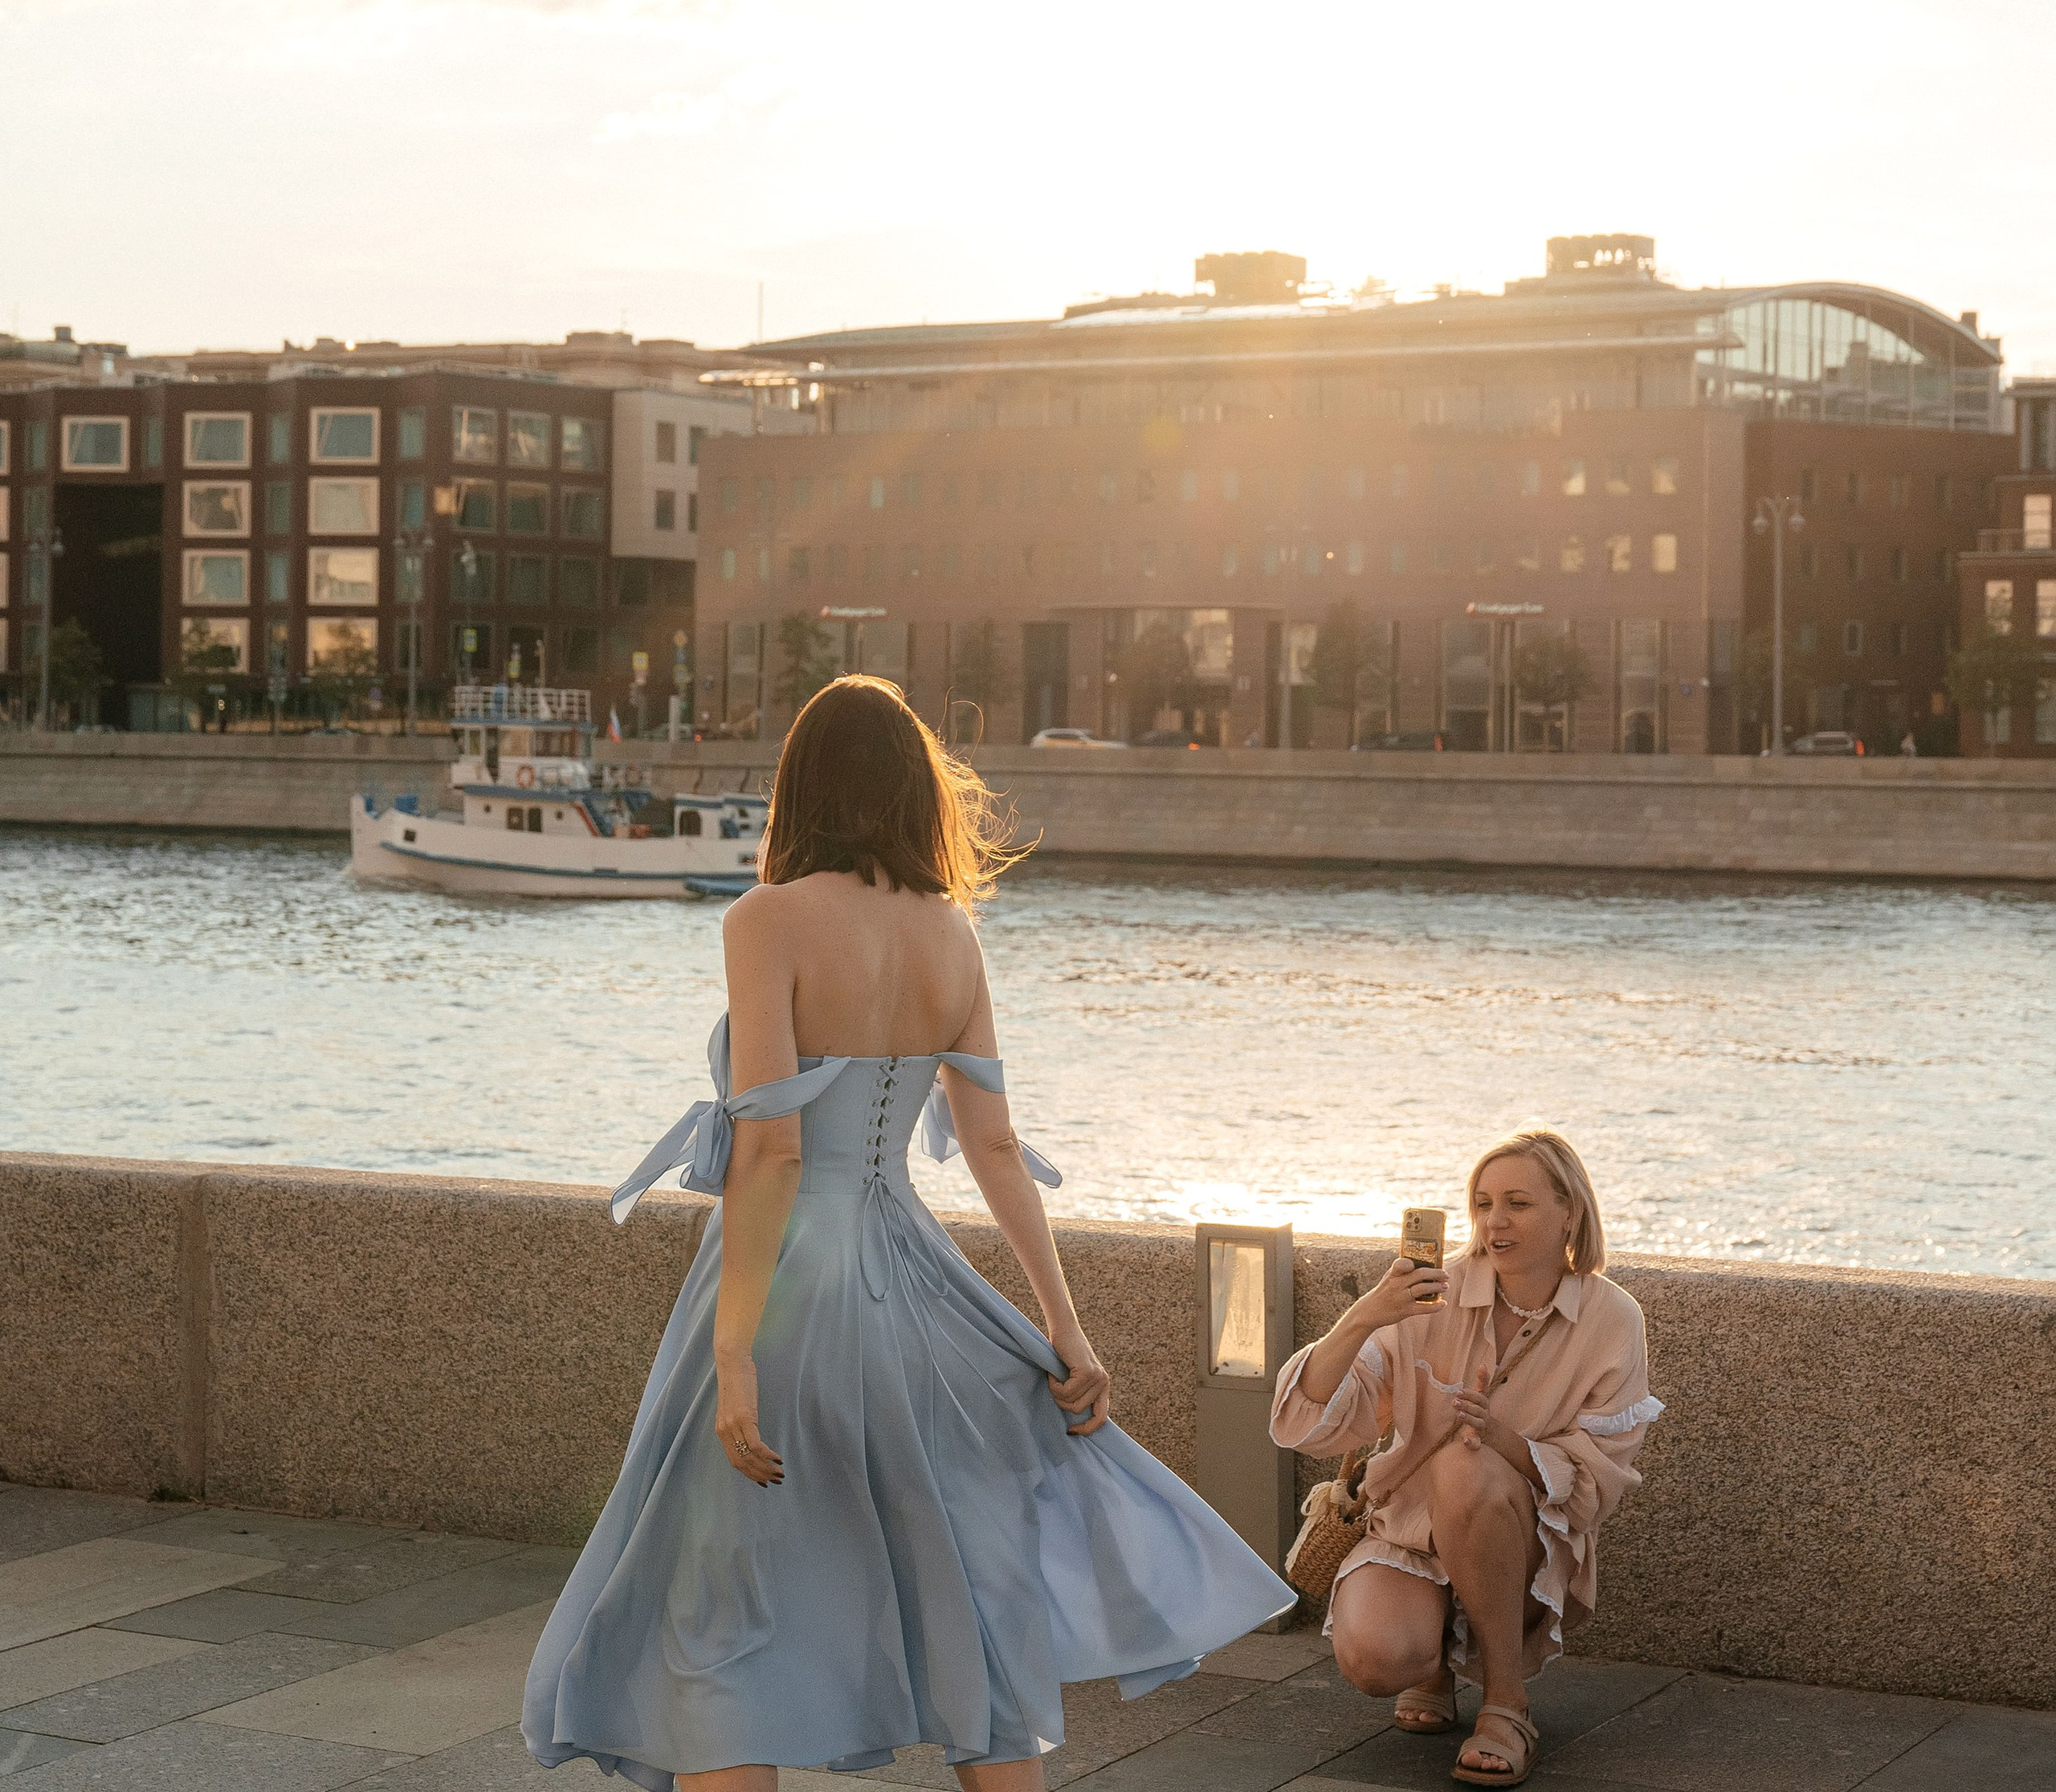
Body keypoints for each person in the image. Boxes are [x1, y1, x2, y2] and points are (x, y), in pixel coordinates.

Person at [524, 676, 1292, 1792]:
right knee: (966, 1589)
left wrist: (735, 1351)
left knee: (723, 1603)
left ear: (800, 789)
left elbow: (774, 1154)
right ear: (913, 793)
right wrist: (1064, 1327)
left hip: (786, 1290)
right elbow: (993, 1149)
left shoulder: (766, 919)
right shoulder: (952, 933)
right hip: (918, 1291)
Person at [1270, 1130, 1659, 1788]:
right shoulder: (1429, 1292)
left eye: (1518, 1203)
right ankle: (1430, 1666)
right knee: (1374, 1661)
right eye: (1482, 1203)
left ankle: (1507, 1706)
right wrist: (1364, 1317)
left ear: (1570, 1211)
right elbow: (1305, 1423)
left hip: (1520, 1538)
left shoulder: (1612, 1317)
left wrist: (1505, 1442)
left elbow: (1600, 1481)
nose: (1494, 1221)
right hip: (1411, 1530)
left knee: (1465, 1465)